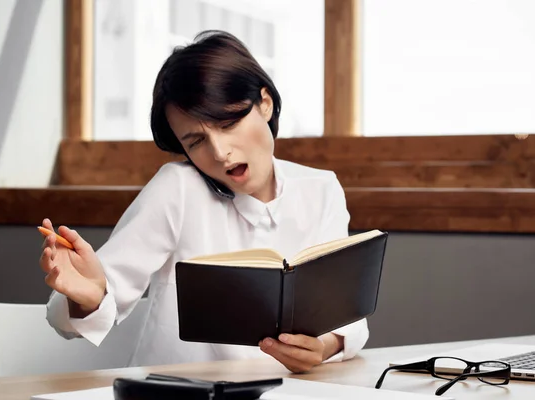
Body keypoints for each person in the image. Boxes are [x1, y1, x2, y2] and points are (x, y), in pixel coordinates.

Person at [40, 30, 368, 373]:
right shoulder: (178, 188)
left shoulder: (321, 189)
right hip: (177, 393)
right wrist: (90, 298)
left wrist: (325, 346)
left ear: (265, 103)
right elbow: (88, 301)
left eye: (228, 123)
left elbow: (344, 314)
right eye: (196, 142)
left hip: (291, 391)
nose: (219, 152)